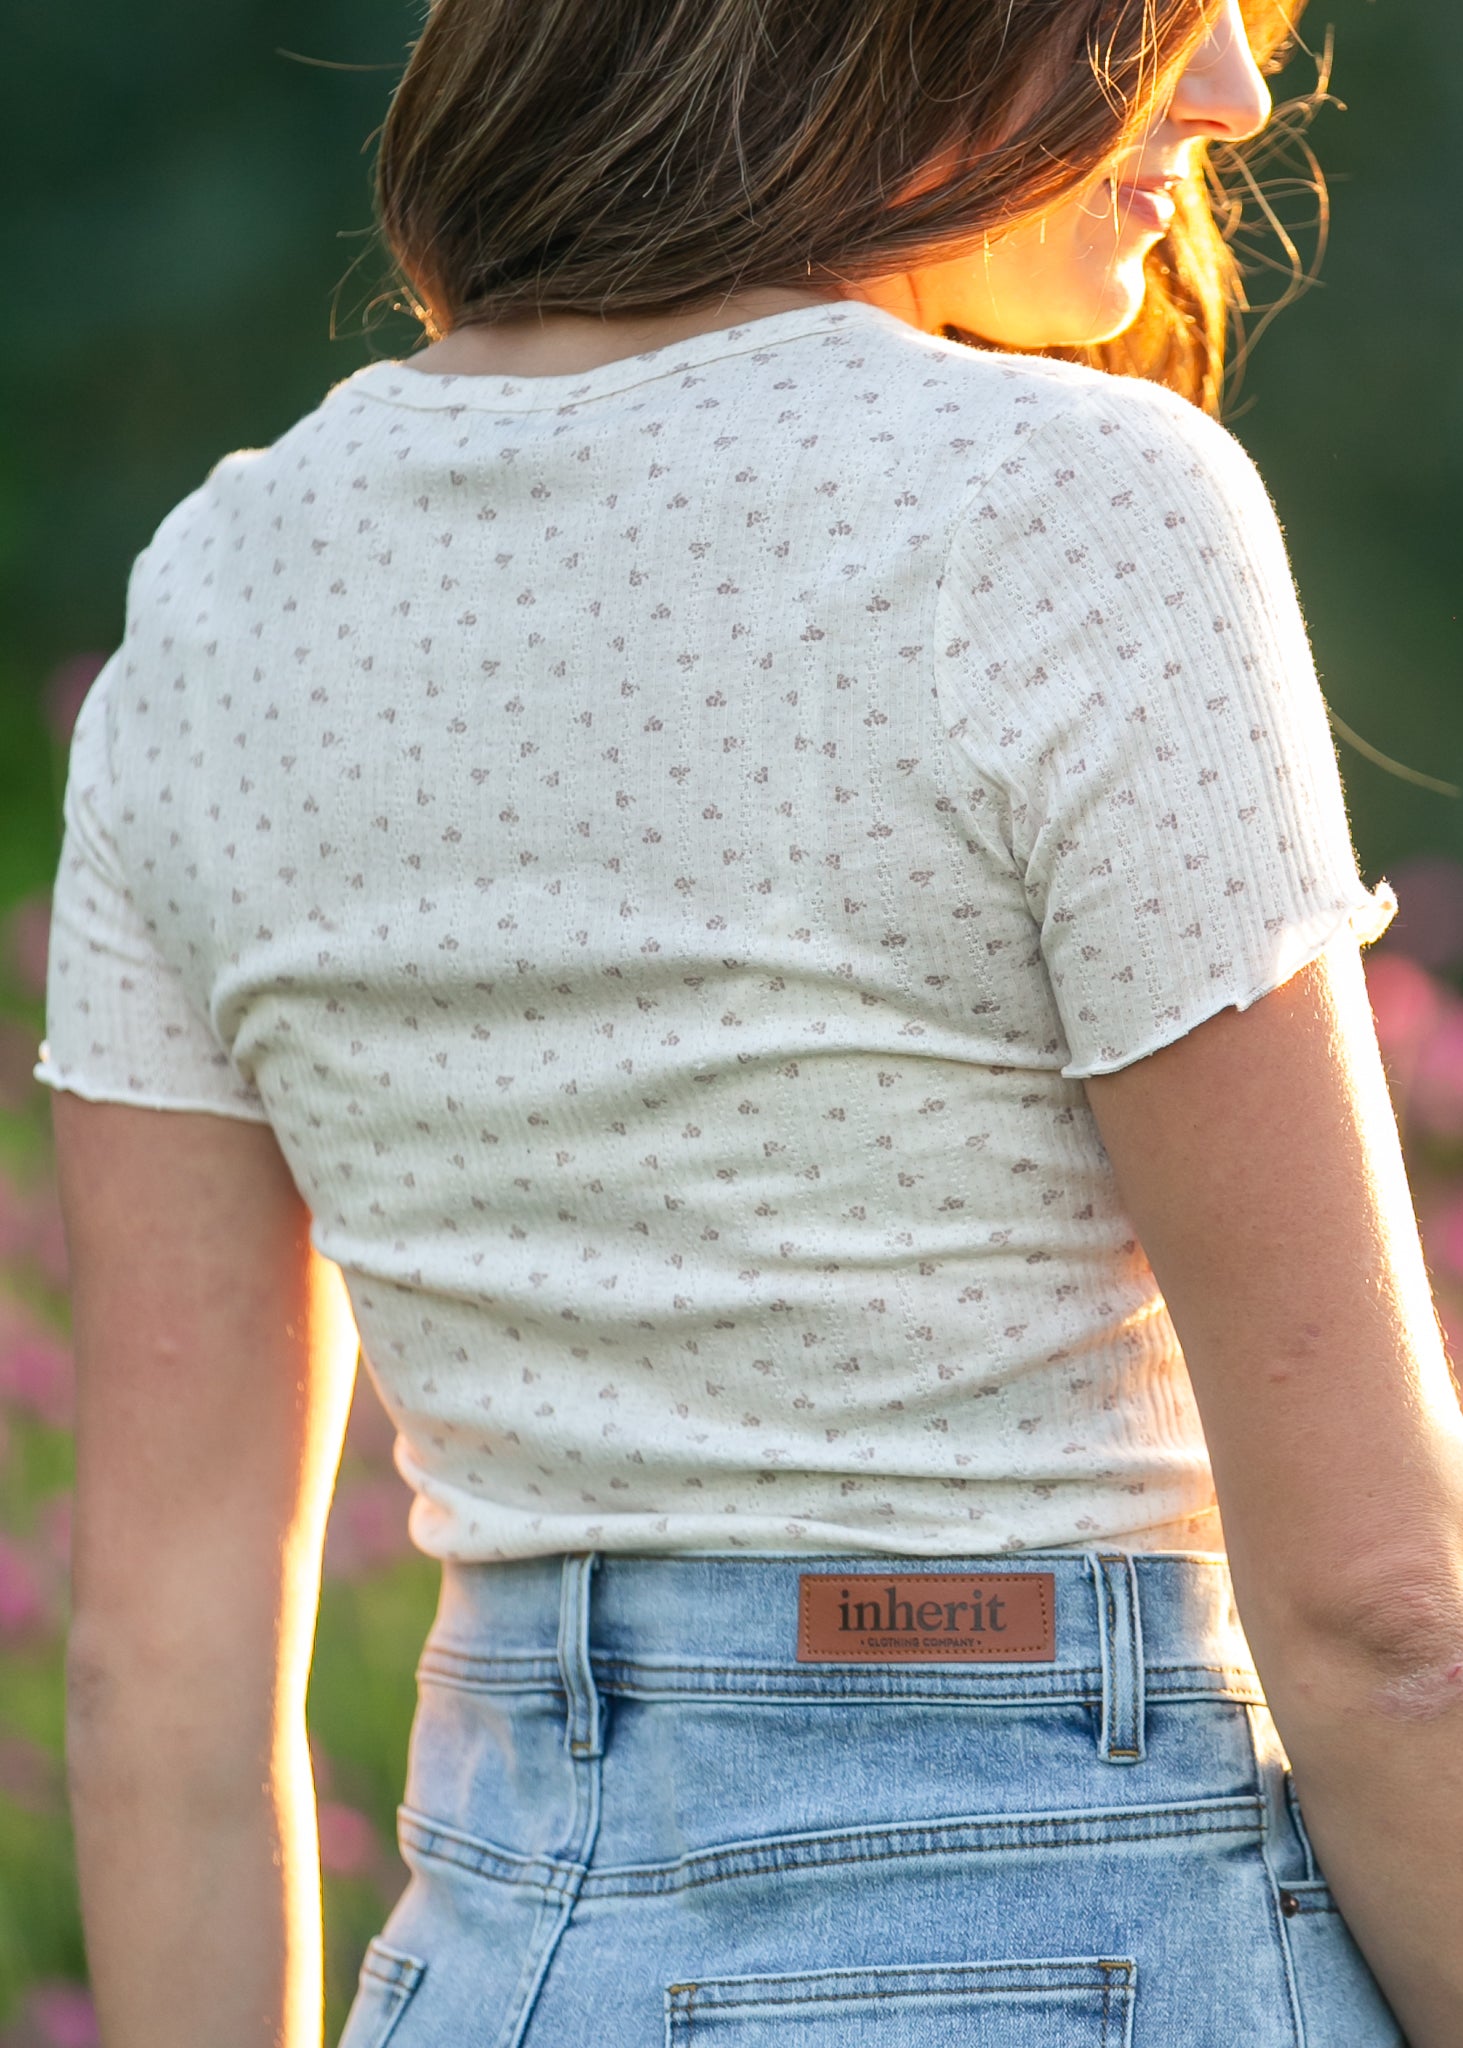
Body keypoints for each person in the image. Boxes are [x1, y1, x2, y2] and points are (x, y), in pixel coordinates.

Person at [36, 0, 1463, 2042]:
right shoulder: (1076, 513)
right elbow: (1385, 1612)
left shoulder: (216, 598)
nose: (1235, 89)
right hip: (1078, 1936)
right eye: (1172, 13)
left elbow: (159, 1675)